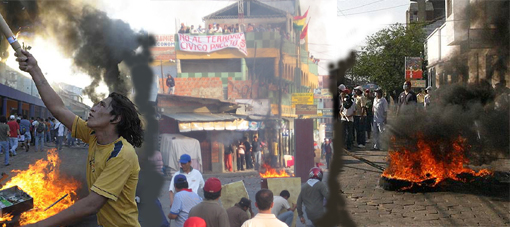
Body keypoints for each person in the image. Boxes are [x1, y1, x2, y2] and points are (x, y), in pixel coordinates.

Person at [17, 49, 143, 227]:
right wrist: (35, 69)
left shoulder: (122, 154)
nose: (93, 108)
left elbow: (92, 204)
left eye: (101, 106)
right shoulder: (93, 135)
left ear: (115, 118)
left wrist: (39, 225)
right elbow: (58, 109)